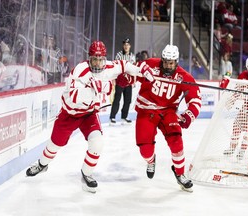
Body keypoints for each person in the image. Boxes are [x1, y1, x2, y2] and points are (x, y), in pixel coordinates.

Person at [25, 41, 154, 193]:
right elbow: (74, 97)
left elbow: (125, 65)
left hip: (89, 115)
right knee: (55, 144)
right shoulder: (80, 70)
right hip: (70, 114)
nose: (98, 63)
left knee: (97, 143)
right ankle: (42, 164)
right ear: (89, 58)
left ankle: (86, 173)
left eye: (101, 59)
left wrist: (142, 70)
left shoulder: (109, 67)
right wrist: (99, 88)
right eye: (94, 59)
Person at [134, 44, 202, 192]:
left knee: (176, 141)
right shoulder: (151, 65)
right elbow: (132, 71)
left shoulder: (183, 77)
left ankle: (180, 174)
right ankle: (151, 161)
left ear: (176, 62)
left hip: (168, 112)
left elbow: (195, 99)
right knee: (145, 150)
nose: (167, 65)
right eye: (165, 62)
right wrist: (127, 77)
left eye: (171, 63)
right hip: (147, 110)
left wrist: (189, 115)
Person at [220, 56, 248, 159]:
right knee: (236, 127)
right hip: (246, 107)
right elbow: (238, 90)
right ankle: (232, 148)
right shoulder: (243, 75)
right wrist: (231, 100)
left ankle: (242, 150)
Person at [109, 38, 136, 124]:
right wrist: (113, 79)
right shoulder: (119, 55)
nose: (126, 46)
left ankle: (124, 116)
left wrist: (134, 80)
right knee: (117, 99)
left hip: (128, 81)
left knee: (128, 100)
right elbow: (115, 67)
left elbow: (134, 68)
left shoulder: (132, 56)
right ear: (123, 46)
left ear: (130, 46)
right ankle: (112, 117)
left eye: (127, 45)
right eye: (124, 45)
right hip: (120, 81)